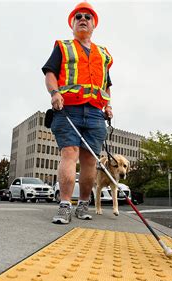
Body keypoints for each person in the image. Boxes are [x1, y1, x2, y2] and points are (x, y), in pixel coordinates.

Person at [42, 2, 113, 224]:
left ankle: (83, 204)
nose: (83, 19)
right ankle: (65, 205)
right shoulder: (63, 47)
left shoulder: (103, 54)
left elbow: (106, 84)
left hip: (94, 113)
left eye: (88, 17)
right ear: (73, 23)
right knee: (69, 153)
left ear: (94, 24)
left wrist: (108, 105)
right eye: (78, 16)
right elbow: (50, 73)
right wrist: (55, 93)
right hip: (67, 109)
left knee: (90, 160)